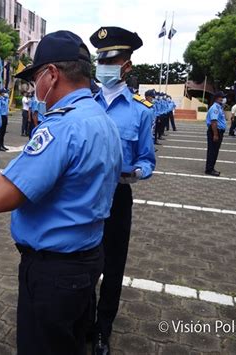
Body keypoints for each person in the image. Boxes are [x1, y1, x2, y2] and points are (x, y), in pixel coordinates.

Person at [0, 30, 122, 355]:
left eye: (35, 80)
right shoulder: (104, 120)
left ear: (51, 74)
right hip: (88, 258)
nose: (35, 89)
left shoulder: (61, 126)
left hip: (54, 272)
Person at [89, 26, 156, 354]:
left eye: (111, 59)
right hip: (84, 195)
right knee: (84, 261)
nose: (104, 65)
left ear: (126, 65)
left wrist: (138, 171)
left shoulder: (142, 111)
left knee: (113, 266)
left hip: (117, 197)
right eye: (101, 59)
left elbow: (148, 159)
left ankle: (103, 329)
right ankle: (84, 320)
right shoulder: (87, 103)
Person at [205, 91, 227, 176]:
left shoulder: (219, 107)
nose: (223, 99)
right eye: (222, 97)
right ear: (217, 98)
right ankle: (209, 169)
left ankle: (211, 168)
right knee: (212, 151)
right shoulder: (215, 108)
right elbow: (214, 122)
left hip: (217, 131)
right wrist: (215, 134)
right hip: (215, 131)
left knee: (215, 151)